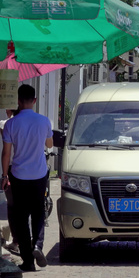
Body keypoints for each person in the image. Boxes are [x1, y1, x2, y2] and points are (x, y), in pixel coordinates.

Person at [1, 85, 53, 271]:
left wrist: (4, 175)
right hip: (39, 174)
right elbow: (49, 144)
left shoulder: (11, 124)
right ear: (35, 100)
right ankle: (38, 245)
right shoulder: (44, 121)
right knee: (39, 212)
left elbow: (6, 154)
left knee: (21, 218)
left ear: (18, 101)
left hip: (19, 175)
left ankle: (28, 261)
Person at [0, 109, 19, 254]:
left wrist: (5, 176)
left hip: (12, 169)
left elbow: (6, 152)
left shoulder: (6, 124)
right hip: (30, 170)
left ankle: (16, 240)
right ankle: (29, 240)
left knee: (13, 207)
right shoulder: (34, 123)